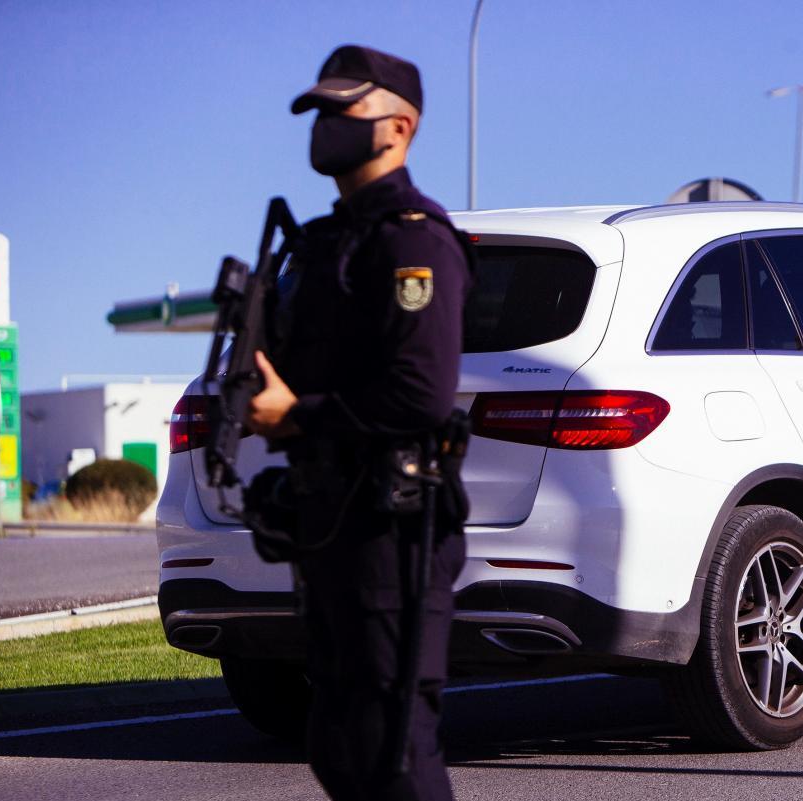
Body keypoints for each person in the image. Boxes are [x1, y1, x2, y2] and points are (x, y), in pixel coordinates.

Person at [244, 44, 471, 800]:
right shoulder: (322, 244)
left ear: (399, 126)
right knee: (337, 743)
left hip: (393, 527)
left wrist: (297, 413)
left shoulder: (413, 239)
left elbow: (420, 395)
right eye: (319, 112)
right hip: (330, 519)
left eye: (345, 111)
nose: (326, 125)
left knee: (393, 747)